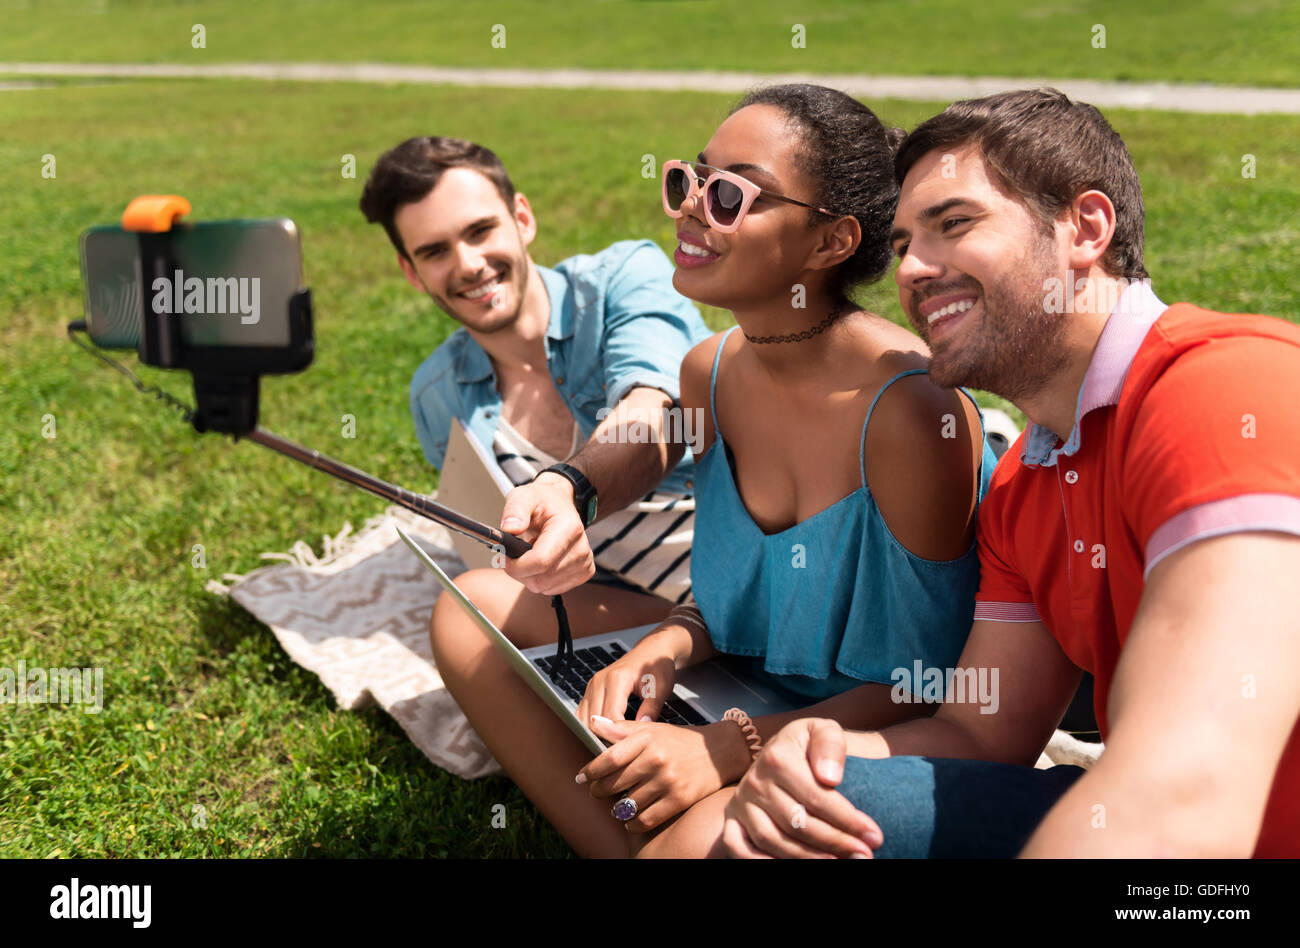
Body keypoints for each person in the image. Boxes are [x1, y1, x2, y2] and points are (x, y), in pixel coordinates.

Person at [719, 89, 1300, 859]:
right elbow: (980, 730)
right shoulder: (1024, 478)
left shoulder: (1224, 389)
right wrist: (821, 748)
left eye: (954, 224)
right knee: (754, 825)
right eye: (900, 247)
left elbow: (1183, 798)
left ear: (1086, 229)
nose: (916, 271)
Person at [559, 83, 1000, 859]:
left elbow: (942, 681)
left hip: (867, 741)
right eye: (689, 181)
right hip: (738, 693)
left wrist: (731, 748)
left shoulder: (908, 412)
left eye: (731, 195)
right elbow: (741, 600)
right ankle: (648, 824)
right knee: (474, 615)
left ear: (830, 244)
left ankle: (655, 827)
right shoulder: (709, 374)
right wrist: (663, 647)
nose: (693, 207)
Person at [359, 136, 712, 631]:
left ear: (521, 218)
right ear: (412, 273)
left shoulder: (625, 278)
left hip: (741, 578)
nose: (468, 265)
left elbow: (658, 415)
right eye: (435, 251)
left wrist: (568, 488)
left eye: (480, 231)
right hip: (644, 617)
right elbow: (492, 552)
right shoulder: (435, 396)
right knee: (469, 608)